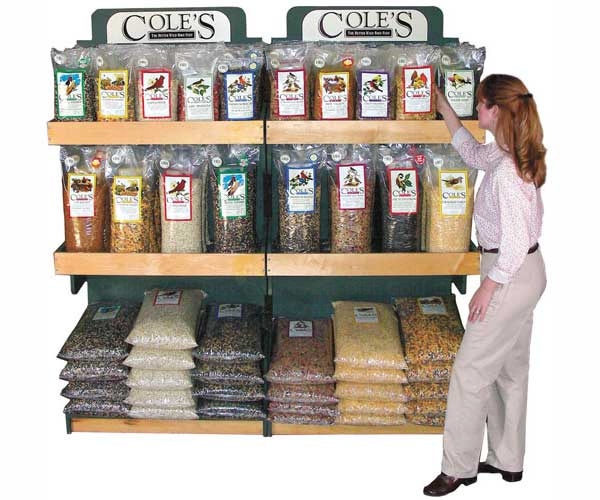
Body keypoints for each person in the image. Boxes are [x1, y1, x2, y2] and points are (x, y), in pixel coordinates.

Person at [423, 74, 547, 496]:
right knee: (510, 368)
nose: (476, 109)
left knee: (470, 371)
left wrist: (488, 287)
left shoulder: (509, 173)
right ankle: (507, 460)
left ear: (496, 110)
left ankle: (457, 468)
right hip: (526, 271)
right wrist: (445, 110)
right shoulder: (506, 153)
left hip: (509, 272)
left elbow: (513, 245)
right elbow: (473, 154)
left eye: (480, 104)